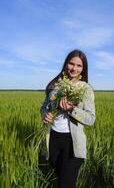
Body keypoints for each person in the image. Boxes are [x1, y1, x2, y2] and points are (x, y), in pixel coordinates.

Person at [40, 49, 95, 188]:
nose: (74, 68)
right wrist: (44, 115)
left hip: (72, 144)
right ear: (66, 64)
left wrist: (71, 109)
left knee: (66, 185)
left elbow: (90, 118)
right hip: (53, 140)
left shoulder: (85, 88)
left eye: (79, 66)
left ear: (83, 69)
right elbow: (44, 107)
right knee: (61, 180)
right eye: (71, 64)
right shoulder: (55, 85)